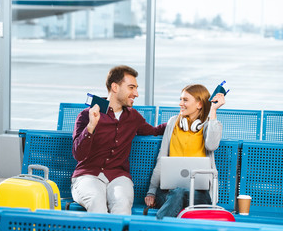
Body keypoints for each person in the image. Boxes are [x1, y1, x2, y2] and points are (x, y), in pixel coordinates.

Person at [71, 65, 166, 215]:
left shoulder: (133, 117)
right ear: (115, 87)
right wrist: (91, 127)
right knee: (96, 202)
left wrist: (179, 120)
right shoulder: (86, 115)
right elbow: (78, 155)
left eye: (136, 88)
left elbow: (154, 131)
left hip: (118, 176)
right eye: (131, 87)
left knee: (122, 204)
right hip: (88, 175)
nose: (136, 93)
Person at [144, 84, 225, 219]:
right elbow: (161, 159)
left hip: (199, 195)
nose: (181, 103)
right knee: (178, 193)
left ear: (199, 104)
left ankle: (157, 226)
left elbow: (211, 145)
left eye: (185, 100)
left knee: (180, 193)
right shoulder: (172, 123)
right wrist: (152, 191)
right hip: (168, 193)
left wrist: (213, 111)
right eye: (180, 99)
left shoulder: (210, 125)